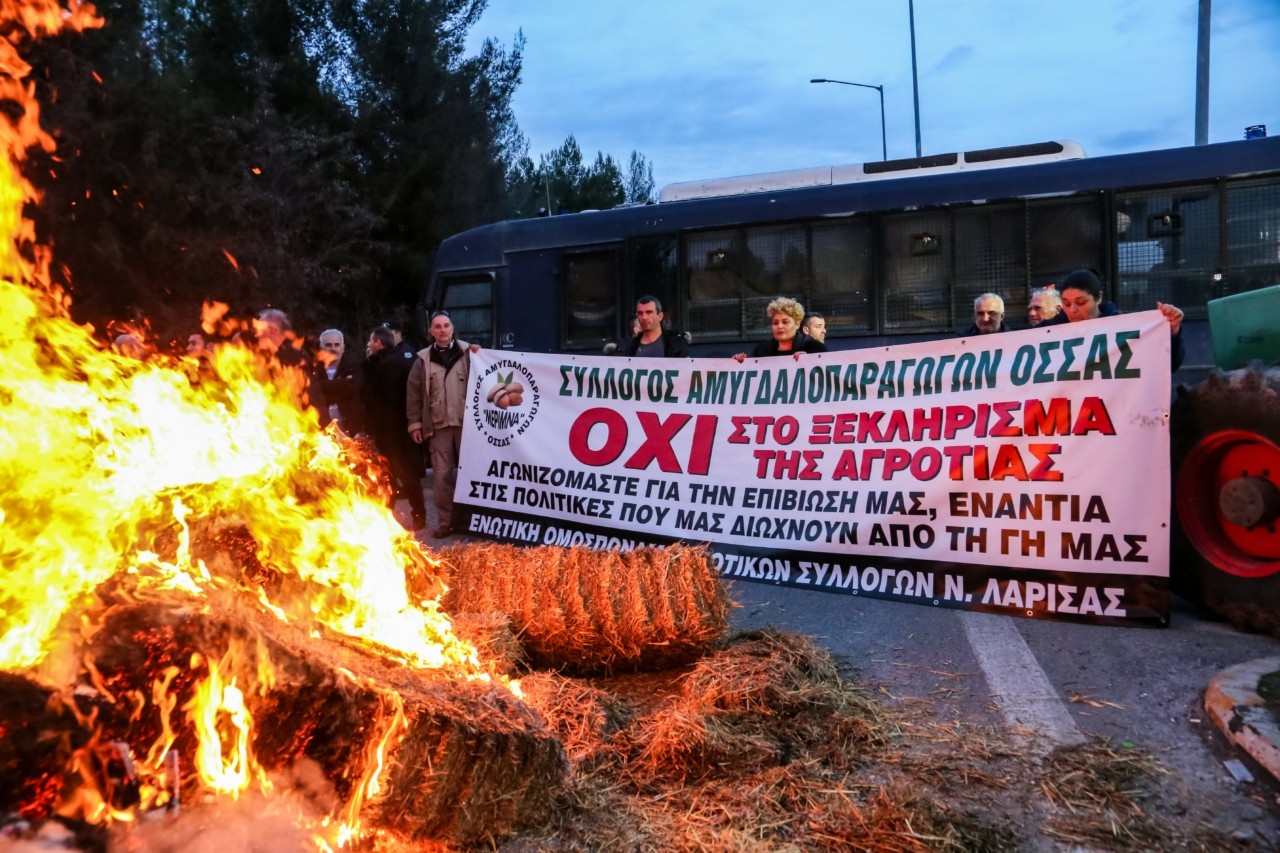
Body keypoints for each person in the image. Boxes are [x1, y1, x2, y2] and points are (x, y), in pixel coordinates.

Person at [406, 310, 475, 539]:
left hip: (467, 425)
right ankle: (446, 523)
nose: (442, 330)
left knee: (471, 472)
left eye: (446, 325)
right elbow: (414, 394)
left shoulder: (470, 354)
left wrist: (481, 354)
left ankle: (473, 520)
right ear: (431, 331)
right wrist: (415, 424)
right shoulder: (422, 360)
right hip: (438, 427)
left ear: (452, 328)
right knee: (441, 476)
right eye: (437, 326)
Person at [1035, 268, 1184, 370]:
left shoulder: (1125, 329)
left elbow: (1168, 365)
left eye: (1081, 302)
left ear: (1098, 298)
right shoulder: (1048, 330)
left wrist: (1172, 334)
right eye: (1066, 304)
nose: (1072, 310)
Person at [362, 325, 427, 529]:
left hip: (394, 432)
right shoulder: (382, 361)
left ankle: (418, 514)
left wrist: (380, 427)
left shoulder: (390, 365)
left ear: (378, 343)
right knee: (386, 475)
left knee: (405, 474)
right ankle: (388, 514)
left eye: (371, 341)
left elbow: (387, 400)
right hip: (388, 431)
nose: (368, 344)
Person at [733, 297, 827, 361]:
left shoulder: (814, 348)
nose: (779, 326)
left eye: (785, 322)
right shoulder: (762, 350)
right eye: (775, 323)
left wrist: (811, 360)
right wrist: (741, 363)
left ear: (797, 324)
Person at [309, 329, 362, 433]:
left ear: (343, 348)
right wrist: (343, 386)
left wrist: (322, 388)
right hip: (319, 433)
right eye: (328, 345)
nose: (333, 348)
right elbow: (310, 390)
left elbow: (355, 387)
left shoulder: (354, 366)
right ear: (321, 348)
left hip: (350, 431)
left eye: (337, 345)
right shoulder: (312, 368)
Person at [622, 295, 690, 358]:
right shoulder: (631, 346)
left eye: (649, 312)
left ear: (660, 316)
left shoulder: (676, 343)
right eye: (640, 313)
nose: (644, 317)